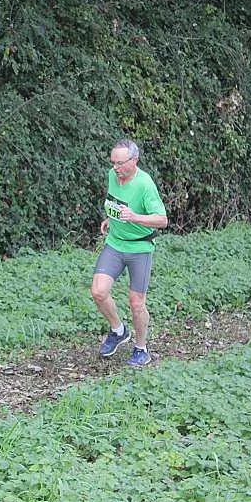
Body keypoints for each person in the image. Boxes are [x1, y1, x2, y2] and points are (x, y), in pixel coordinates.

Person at [91, 139, 168, 367]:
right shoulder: (112, 176)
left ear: (134, 160)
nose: (115, 168)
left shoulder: (145, 185)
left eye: (120, 163)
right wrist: (111, 218)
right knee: (98, 292)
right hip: (115, 244)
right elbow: (116, 202)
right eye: (113, 162)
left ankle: (141, 348)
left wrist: (134, 217)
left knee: (136, 303)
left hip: (139, 248)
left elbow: (162, 220)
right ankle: (118, 331)